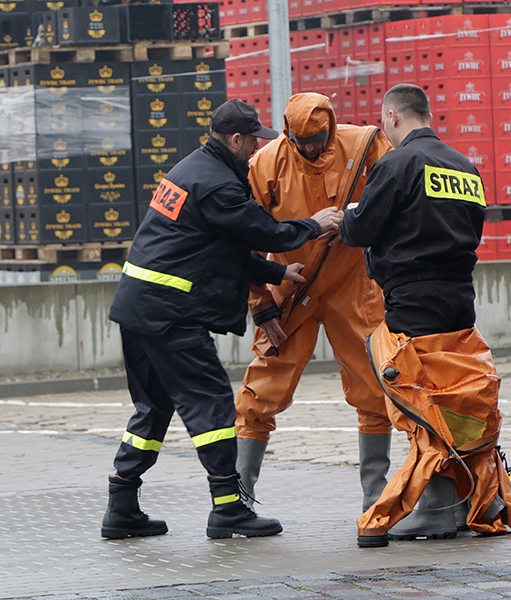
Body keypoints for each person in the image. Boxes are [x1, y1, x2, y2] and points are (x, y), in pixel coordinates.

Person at [102, 99, 343, 540]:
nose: (256, 149)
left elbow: (217, 247)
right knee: (212, 404)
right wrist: (314, 224)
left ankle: (122, 504)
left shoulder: (190, 170)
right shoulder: (217, 184)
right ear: (235, 139)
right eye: (253, 140)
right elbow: (263, 231)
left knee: (154, 408)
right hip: (170, 315)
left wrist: (275, 272)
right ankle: (229, 507)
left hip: (138, 308)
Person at [340, 84, 511, 547]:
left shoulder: (396, 164)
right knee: (454, 399)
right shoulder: (465, 167)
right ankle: (464, 499)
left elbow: (361, 229)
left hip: (412, 302)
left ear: (394, 117)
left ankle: (435, 507)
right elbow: (472, 228)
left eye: (385, 122)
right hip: (460, 302)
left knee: (420, 401)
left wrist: (342, 216)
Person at [234, 92, 395, 515]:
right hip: (291, 286)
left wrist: (358, 226)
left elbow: (395, 198)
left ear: (332, 127)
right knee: (259, 393)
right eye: (300, 140)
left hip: (353, 287)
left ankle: (375, 501)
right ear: (287, 133)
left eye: (317, 139)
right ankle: (235, 500)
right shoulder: (265, 164)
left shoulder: (365, 145)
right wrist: (261, 305)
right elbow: (243, 237)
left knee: (374, 389)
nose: (309, 147)